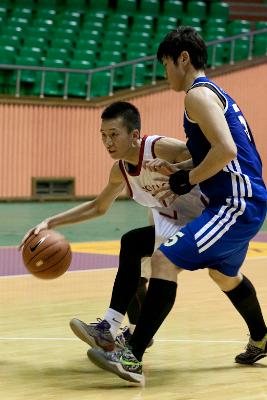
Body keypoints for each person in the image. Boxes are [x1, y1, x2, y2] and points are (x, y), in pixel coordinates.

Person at [86, 27, 267, 386]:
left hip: (235, 203)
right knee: (224, 275)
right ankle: (261, 338)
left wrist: (188, 179)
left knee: (163, 261)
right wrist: (181, 170)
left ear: (183, 58)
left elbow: (227, 152)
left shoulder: (196, 96)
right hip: (242, 200)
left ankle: (133, 356)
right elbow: (220, 151)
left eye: (166, 64)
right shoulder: (214, 94)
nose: (164, 73)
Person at [19, 100, 205, 349]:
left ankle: (108, 326)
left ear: (134, 134)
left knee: (131, 244)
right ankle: (139, 333)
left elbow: (208, 158)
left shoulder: (161, 148)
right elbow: (98, 206)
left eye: (114, 134)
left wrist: (180, 169)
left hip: (204, 220)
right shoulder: (121, 170)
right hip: (170, 225)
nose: (108, 142)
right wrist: (50, 221)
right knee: (135, 277)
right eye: (103, 135)